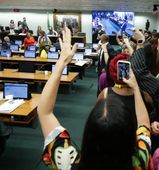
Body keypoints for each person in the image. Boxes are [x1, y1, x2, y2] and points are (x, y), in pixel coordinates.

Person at [37, 24, 152, 170]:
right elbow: (144, 123)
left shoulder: (66, 161)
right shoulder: (140, 161)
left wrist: (62, 62)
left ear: (88, 132)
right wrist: (135, 88)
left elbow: (44, 111)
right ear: (130, 135)